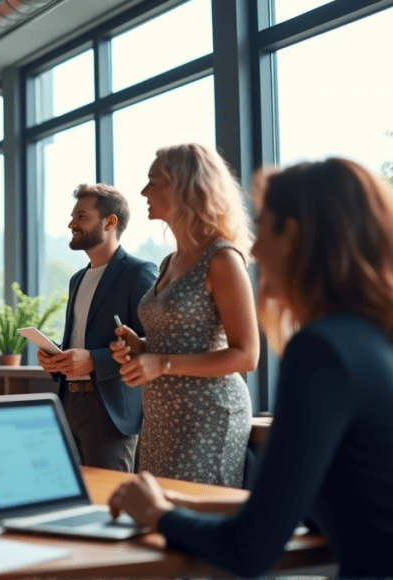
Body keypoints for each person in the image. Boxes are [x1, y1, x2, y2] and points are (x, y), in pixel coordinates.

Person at [108, 158, 393, 577]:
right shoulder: (370, 341)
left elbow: (250, 547)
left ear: (293, 235)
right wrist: (180, 505)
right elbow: (313, 510)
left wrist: (157, 516)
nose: (255, 250)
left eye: (266, 228)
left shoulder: (320, 351)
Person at [110, 143, 258, 487]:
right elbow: (181, 342)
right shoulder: (170, 262)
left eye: (153, 182)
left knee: (189, 526)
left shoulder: (223, 259)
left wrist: (160, 363)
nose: (144, 191)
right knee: (155, 520)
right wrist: (141, 347)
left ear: (183, 188)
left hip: (209, 417)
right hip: (162, 417)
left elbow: (247, 355)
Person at [37, 184, 157, 472]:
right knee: (70, 495)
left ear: (110, 221)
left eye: (81, 216)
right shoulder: (77, 278)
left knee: (108, 500)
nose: (71, 224)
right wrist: (57, 360)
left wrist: (93, 360)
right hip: (69, 404)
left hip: (111, 409)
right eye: (72, 217)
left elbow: (153, 343)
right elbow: (78, 339)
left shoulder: (138, 272)